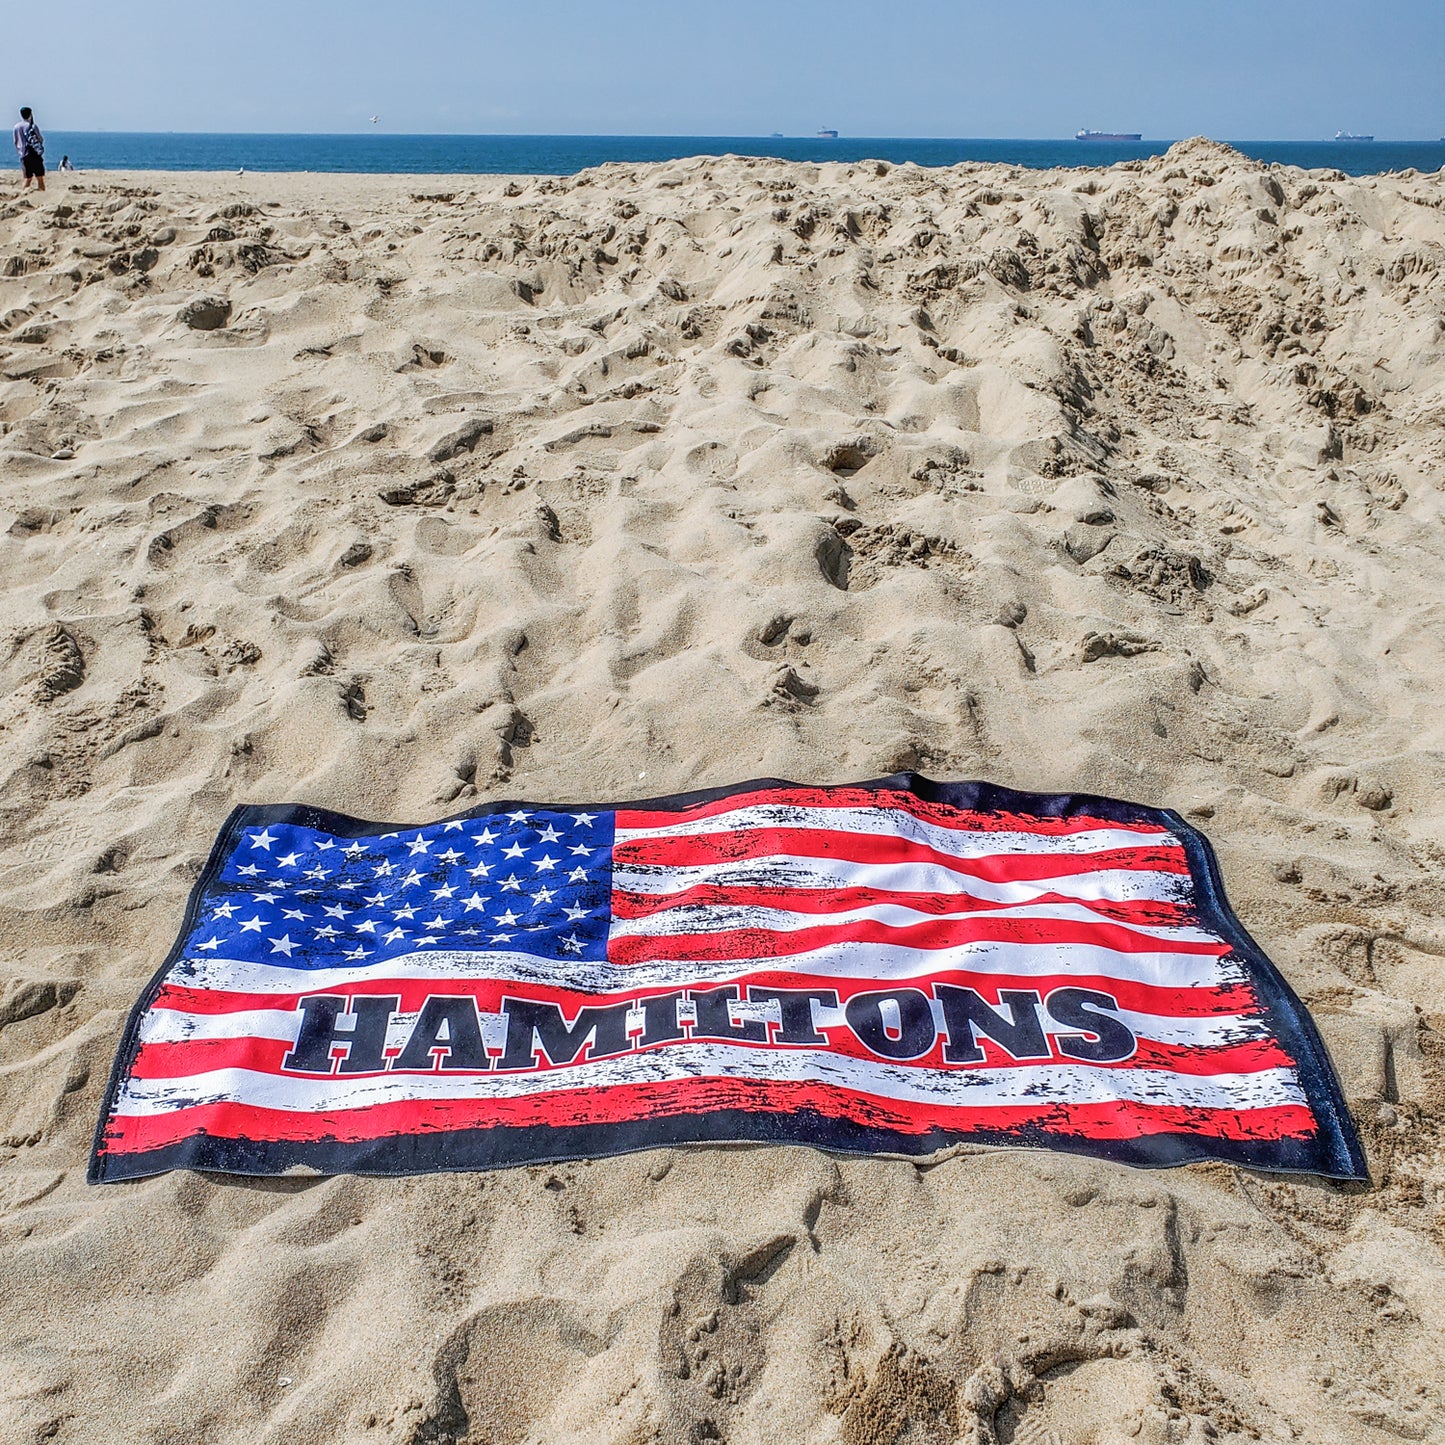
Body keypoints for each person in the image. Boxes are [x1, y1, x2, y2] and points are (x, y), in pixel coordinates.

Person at [13, 107, 44, 191]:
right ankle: (42, 194)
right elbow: (40, 139)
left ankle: (23, 194)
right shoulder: (32, 126)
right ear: (30, 114)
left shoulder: (16, 127)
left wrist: (20, 151)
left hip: (23, 154)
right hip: (33, 153)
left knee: (28, 178)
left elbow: (16, 141)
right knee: (39, 177)